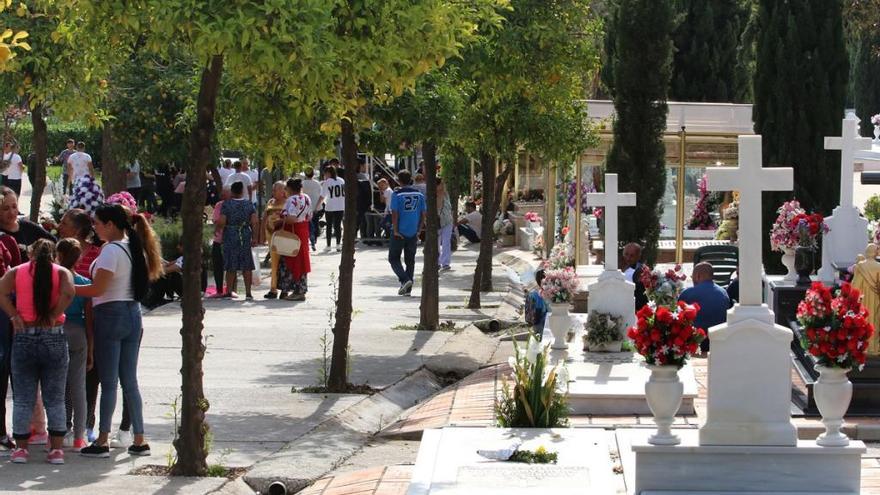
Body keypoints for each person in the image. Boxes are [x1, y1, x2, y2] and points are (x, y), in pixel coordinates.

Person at [75, 204, 162, 458]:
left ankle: (102, 439)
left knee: (110, 382)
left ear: (111, 225)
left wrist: (67, 286)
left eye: (98, 223)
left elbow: (97, 289)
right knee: (130, 381)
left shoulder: (110, 250)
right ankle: (139, 438)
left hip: (110, 315)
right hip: (132, 313)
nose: (96, 228)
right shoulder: (133, 248)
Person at [0, 239, 75, 464]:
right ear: (54, 255)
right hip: (53, 335)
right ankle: (56, 451)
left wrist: (14, 315)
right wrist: (54, 314)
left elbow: (1, 291)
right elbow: (69, 293)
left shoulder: (17, 271)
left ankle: (21, 449)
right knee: (55, 398)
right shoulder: (61, 272)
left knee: (23, 398)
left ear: (31, 253)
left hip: (24, 335)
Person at [56, 238, 92, 452]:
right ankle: (79, 437)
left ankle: (57, 434)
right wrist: (92, 347)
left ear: (58, 255)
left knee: (57, 387)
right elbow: (89, 319)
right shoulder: (84, 283)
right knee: (79, 387)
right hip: (78, 333)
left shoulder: (55, 280)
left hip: (57, 330)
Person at [217, 181, 258, 300]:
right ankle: (248, 293)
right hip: (245, 233)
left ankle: (229, 291)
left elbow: (222, 221)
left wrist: (218, 229)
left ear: (232, 192)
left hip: (230, 233)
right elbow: (254, 222)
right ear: (242, 191)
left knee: (231, 263)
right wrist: (254, 237)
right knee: (247, 264)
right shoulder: (249, 204)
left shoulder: (227, 204)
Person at [679, 262, 731, 353]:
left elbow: (677, 317)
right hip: (719, 344)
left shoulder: (687, 294)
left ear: (697, 276)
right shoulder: (724, 293)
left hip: (695, 345)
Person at [389, 170, 425, 296]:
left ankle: (405, 280)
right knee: (410, 260)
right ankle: (407, 289)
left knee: (393, 258)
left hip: (400, 231)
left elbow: (394, 212)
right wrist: (419, 229)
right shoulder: (419, 194)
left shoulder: (397, 194)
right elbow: (423, 213)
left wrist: (396, 229)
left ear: (399, 180)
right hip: (413, 231)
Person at [276, 179, 312, 301]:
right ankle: (301, 289)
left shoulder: (291, 200)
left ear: (290, 189)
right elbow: (309, 215)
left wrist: (280, 221)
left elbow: (291, 219)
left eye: (286, 188)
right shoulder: (306, 198)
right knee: (302, 260)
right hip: (303, 231)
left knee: (289, 261)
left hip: (292, 233)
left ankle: (291, 289)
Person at [0, 187, 55, 261]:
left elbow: (53, 242)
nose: (12, 212)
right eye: (6, 209)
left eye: (14, 207)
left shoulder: (27, 226)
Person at [263, 181, 289, 299]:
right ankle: (273, 289)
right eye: (273, 189)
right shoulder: (270, 202)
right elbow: (265, 216)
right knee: (273, 263)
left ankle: (285, 289)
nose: (273, 192)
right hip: (270, 235)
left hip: (282, 236)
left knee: (284, 262)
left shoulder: (288, 203)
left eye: (275, 190)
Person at [317, 165, 345, 253]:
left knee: (329, 226)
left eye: (325, 173)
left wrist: (317, 206)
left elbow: (322, 196)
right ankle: (338, 245)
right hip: (340, 206)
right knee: (338, 226)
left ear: (328, 173)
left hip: (330, 206)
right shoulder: (341, 180)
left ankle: (328, 245)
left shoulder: (327, 182)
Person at [302, 167, 323, 252]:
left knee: (307, 225)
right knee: (315, 222)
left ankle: (309, 239)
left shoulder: (302, 183)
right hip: (315, 207)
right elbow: (320, 194)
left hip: (306, 208)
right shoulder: (317, 183)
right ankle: (314, 240)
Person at [622, 243, 649, 310]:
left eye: (632, 256)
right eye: (626, 254)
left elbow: (640, 298)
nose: (628, 258)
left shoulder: (639, 272)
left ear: (638, 256)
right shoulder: (624, 266)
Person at [525, 268, 548, 336]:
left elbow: (528, 315)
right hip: (544, 324)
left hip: (535, 325)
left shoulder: (532, 295)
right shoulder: (550, 294)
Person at [437, 179, 454, 271]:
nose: (443, 186)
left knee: (446, 242)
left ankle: (446, 262)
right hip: (437, 222)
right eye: (441, 184)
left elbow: (449, 208)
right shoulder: (433, 195)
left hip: (447, 221)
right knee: (437, 243)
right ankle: (437, 262)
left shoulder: (446, 195)